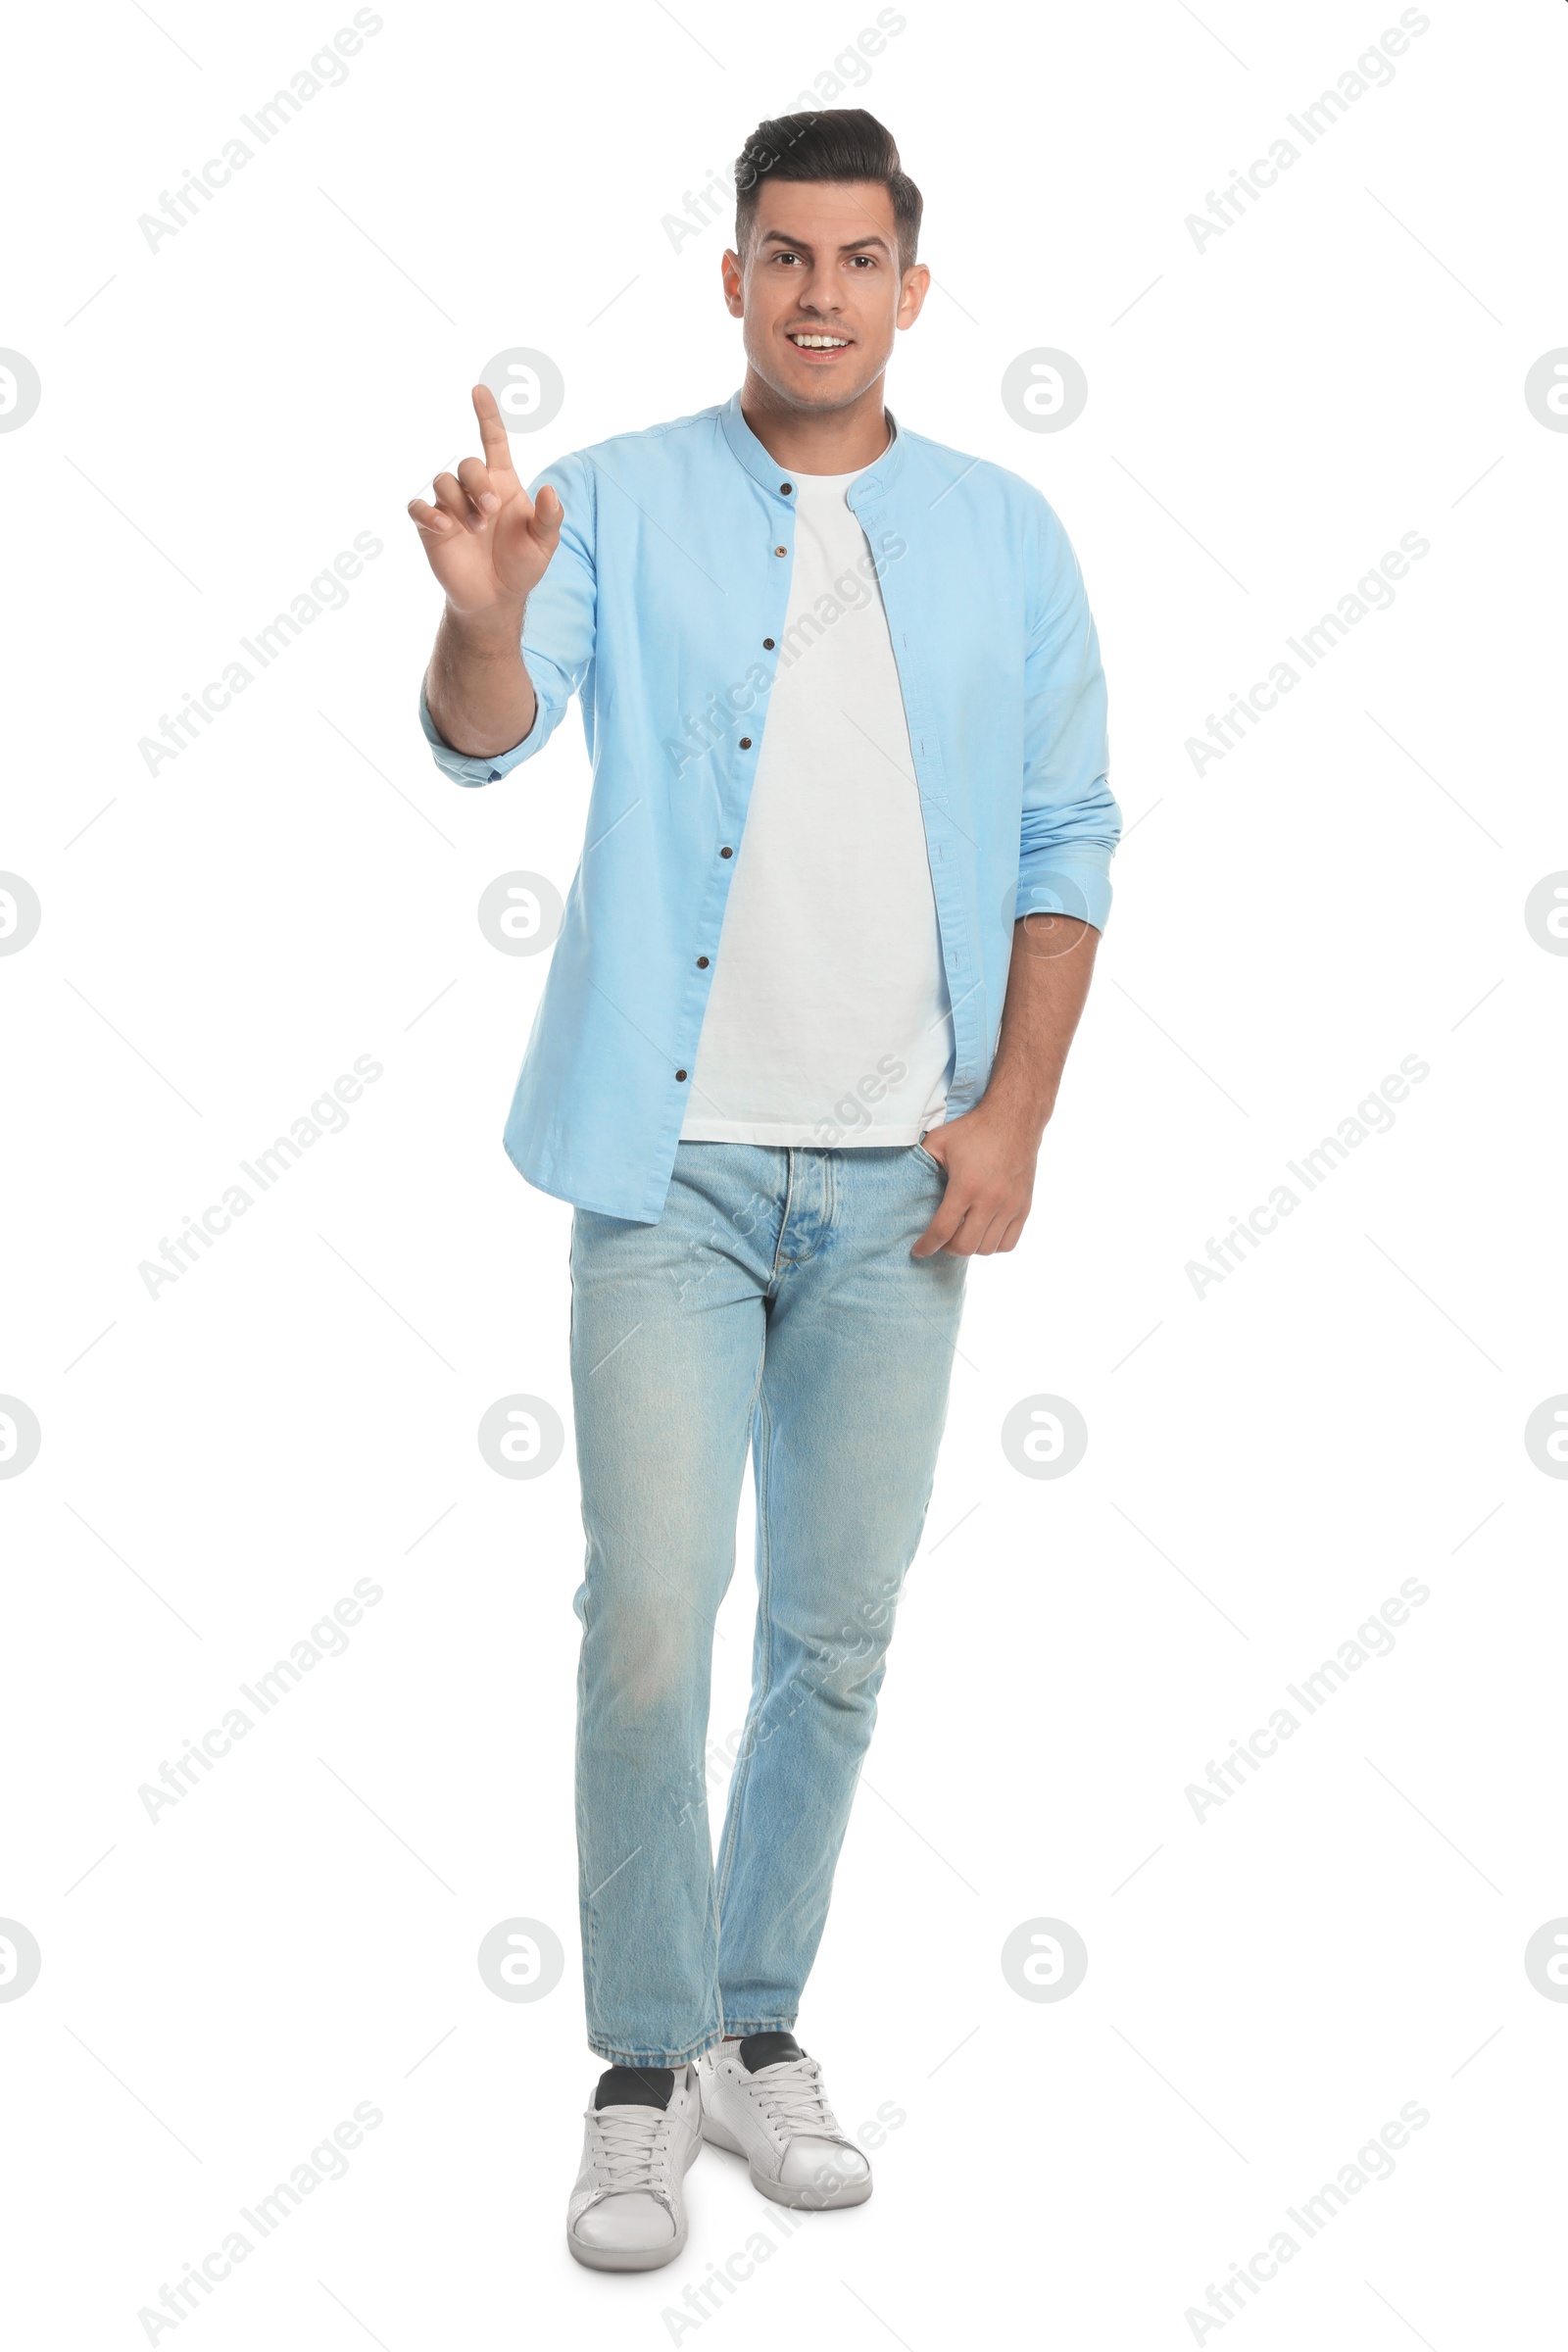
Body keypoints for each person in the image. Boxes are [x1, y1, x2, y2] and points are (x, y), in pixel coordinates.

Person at [411, 107, 1121, 2271]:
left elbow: (1061, 842)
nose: (818, 290)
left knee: (831, 1635)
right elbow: (483, 738)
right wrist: (484, 617)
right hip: (670, 1163)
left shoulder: (1008, 534)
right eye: (780, 254)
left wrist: (1009, 1119)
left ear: (914, 288)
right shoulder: (607, 502)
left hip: (903, 1174)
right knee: (648, 1618)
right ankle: (637, 2074)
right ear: (730, 278)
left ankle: (752, 2023)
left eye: (858, 256)